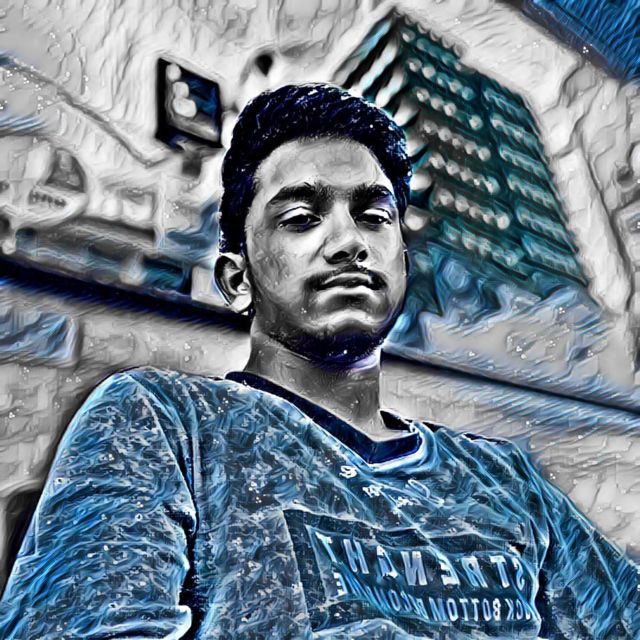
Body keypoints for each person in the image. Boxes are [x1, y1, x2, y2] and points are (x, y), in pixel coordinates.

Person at [0, 83, 638, 640]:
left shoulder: (507, 480)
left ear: (403, 260)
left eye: (374, 216)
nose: (349, 241)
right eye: (303, 218)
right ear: (237, 279)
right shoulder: (164, 422)